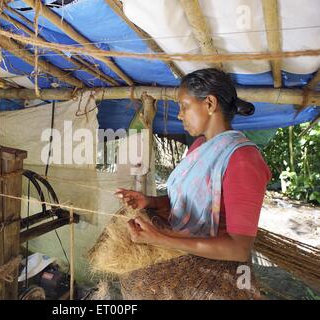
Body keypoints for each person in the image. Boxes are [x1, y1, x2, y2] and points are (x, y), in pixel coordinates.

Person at [115, 68, 271, 300]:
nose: (180, 115)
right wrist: (149, 201)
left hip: (218, 280)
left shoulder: (242, 159)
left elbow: (238, 249)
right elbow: (189, 198)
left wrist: (161, 239)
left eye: (184, 106)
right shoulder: (199, 146)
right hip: (185, 260)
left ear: (209, 104)